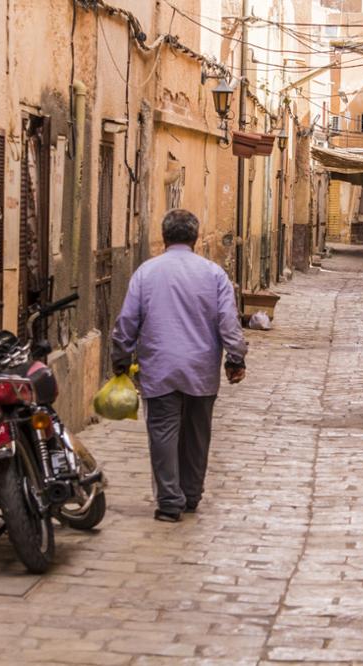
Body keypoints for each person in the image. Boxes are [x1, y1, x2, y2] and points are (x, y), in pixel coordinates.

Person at [111, 209, 248, 522]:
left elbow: (126, 322)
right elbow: (228, 322)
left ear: (164, 236)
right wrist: (236, 358)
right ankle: (191, 495)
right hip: (201, 370)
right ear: (195, 238)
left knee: (162, 433)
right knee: (197, 435)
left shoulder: (146, 273)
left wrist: (121, 359)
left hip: (159, 368)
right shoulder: (214, 275)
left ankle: (170, 501)